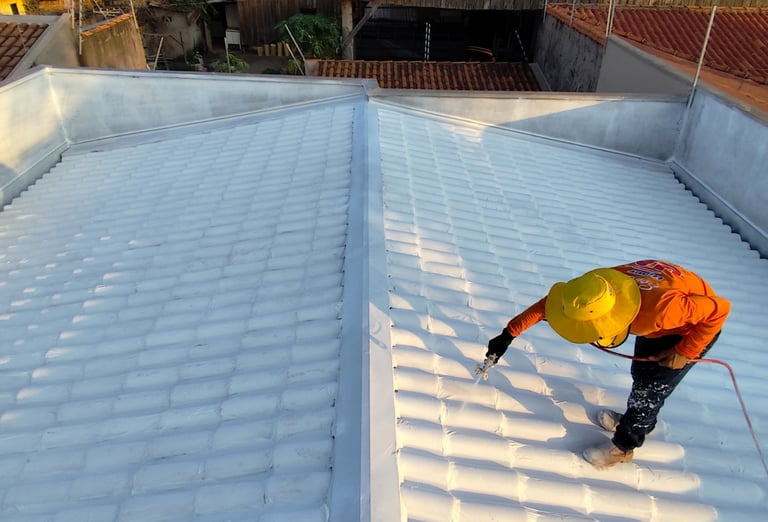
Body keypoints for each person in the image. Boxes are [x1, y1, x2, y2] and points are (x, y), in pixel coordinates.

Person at [479, 260, 730, 468]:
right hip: (654, 314)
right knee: (641, 374)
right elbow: (548, 306)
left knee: (650, 389)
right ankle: (642, 421)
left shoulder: (662, 310)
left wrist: (685, 350)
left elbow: (720, 310)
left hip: (694, 328)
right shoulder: (591, 290)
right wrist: (508, 334)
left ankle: (623, 447)